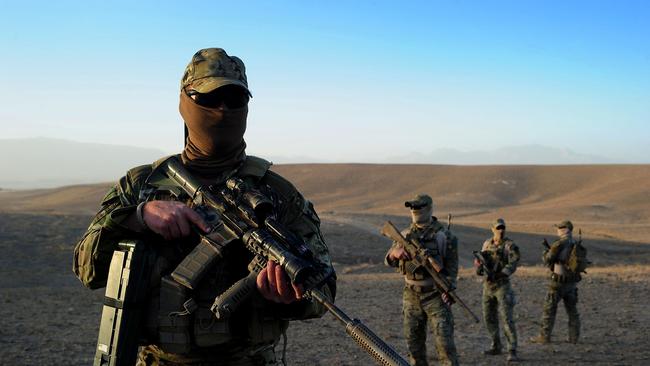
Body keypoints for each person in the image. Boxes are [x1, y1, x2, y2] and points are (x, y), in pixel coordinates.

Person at [73, 48, 336, 366]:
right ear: (185, 103)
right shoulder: (142, 184)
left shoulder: (277, 193)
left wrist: (290, 299)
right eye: (209, 99)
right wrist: (138, 217)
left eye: (234, 99)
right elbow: (87, 269)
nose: (223, 109)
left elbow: (323, 294)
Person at [384, 194, 459, 366]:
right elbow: (388, 260)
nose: (414, 210)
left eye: (418, 206)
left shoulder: (444, 236)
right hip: (411, 296)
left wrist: (448, 289)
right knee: (414, 348)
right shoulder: (404, 235)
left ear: (430, 208)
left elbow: (452, 270)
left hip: (436, 296)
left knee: (445, 348)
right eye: (412, 207)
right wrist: (394, 254)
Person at [474, 218, 520, 362]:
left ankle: (512, 349)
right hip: (488, 286)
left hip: (502, 285)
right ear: (492, 229)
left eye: (503, 228)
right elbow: (481, 263)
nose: (501, 230)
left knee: (507, 317)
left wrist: (501, 273)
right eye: (498, 228)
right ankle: (496, 345)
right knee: (489, 316)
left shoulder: (510, 246)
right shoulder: (487, 244)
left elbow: (513, 263)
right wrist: (479, 267)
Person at [530, 220, 581, 344]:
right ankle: (574, 337)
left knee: (549, 309)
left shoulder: (559, 244)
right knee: (572, 311)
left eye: (559, 228)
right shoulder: (576, 243)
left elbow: (548, 260)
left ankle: (544, 337)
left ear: (564, 229)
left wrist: (545, 253)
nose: (557, 230)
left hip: (558, 283)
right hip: (572, 283)